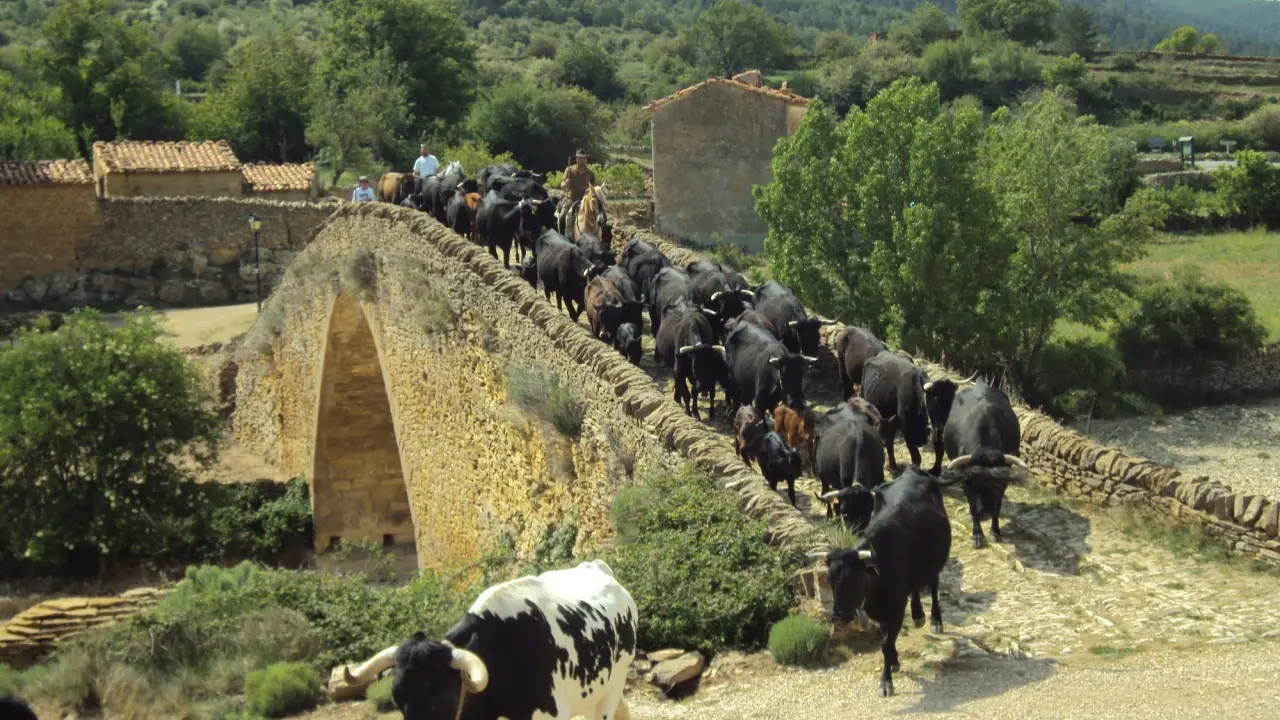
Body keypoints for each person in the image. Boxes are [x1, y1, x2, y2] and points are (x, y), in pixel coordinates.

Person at [558, 149, 597, 229]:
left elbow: (595, 188)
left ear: (586, 159)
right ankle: (561, 234)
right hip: (572, 198)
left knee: (599, 216)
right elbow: (562, 186)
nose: (582, 160)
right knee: (562, 216)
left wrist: (590, 190)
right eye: (580, 158)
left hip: (585, 199)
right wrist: (566, 184)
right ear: (576, 159)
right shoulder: (569, 170)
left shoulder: (590, 173)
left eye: (584, 158)